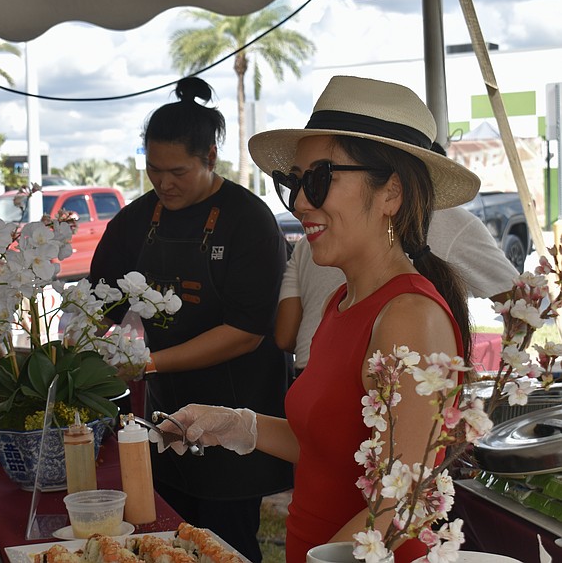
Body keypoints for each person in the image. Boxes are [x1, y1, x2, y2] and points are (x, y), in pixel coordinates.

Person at [156, 76, 481, 563]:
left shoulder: (410, 317)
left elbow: (400, 506)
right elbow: (333, 450)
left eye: (320, 179)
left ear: (390, 193)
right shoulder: (343, 301)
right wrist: (233, 424)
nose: (301, 202)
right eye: (294, 183)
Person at [89, 77, 291, 562]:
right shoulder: (136, 220)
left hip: (238, 414)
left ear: (211, 158)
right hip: (166, 416)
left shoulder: (248, 220)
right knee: (167, 540)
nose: (164, 184)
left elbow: (245, 334)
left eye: (178, 171)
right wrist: (84, 349)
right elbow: (97, 303)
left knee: (227, 546)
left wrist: (148, 364)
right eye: (154, 171)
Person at [277, 205, 518, 378]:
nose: (299, 203)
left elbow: (287, 337)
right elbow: (522, 302)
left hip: (319, 376)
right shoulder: (454, 219)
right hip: (391, 384)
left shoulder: (313, 238)